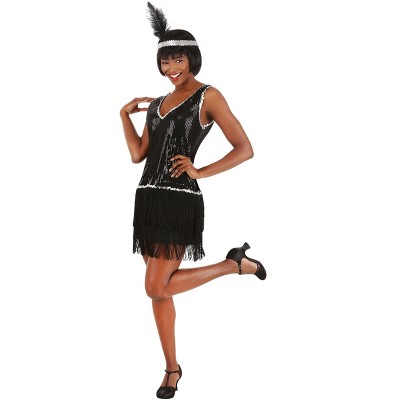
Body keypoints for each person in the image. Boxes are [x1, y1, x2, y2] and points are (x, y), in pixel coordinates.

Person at [120, 2, 267, 398]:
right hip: (147, 199)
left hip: (179, 200)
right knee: (161, 290)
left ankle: (231, 266)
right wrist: (124, 116)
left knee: (155, 286)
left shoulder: (208, 96)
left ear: (192, 59)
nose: (172, 68)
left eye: (178, 59)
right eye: (165, 61)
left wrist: (199, 171)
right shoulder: (157, 103)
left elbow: (245, 148)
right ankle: (172, 369)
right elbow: (138, 154)